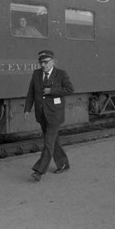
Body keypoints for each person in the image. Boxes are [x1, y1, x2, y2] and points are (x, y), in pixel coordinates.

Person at [24, 50, 74, 182]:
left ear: (52, 61)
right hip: (41, 114)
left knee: (48, 142)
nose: (43, 65)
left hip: (55, 114)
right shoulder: (36, 74)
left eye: (46, 62)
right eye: (41, 62)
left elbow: (70, 90)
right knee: (53, 141)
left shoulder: (61, 74)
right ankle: (63, 164)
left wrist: (51, 91)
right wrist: (27, 109)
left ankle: (39, 171)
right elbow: (31, 93)